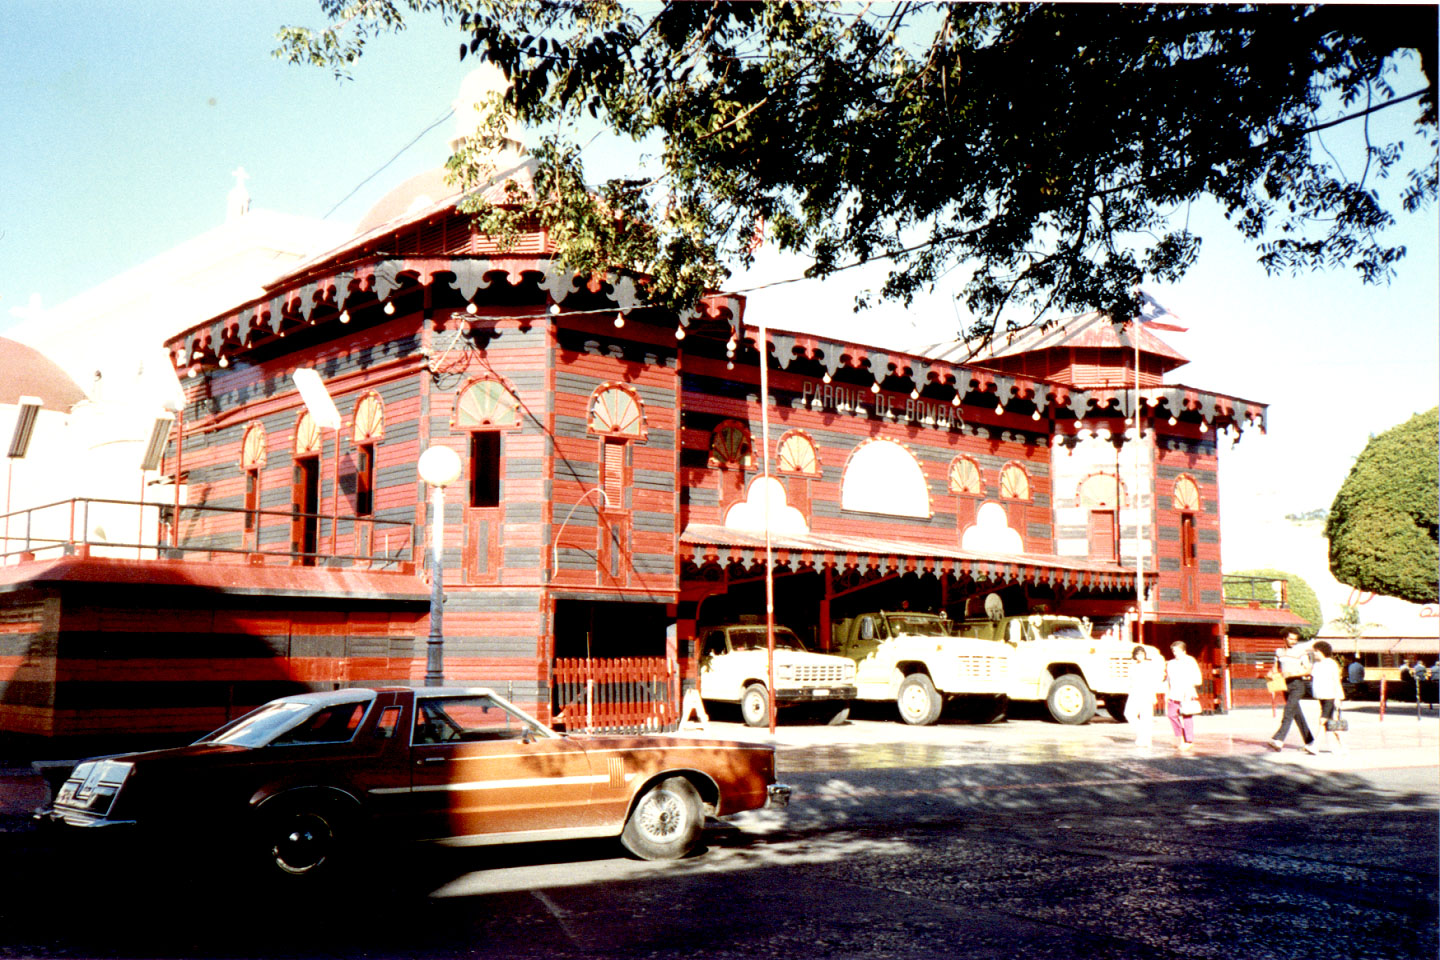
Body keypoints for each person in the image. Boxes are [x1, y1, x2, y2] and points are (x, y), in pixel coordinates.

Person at [1269, 630, 1319, 755]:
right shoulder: (1279, 652)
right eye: (1291, 639)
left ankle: (1279, 739)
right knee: (1297, 714)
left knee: (1288, 711)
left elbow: (1308, 670)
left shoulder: (1300, 652)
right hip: (1286, 685)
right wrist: (1272, 674)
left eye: (1295, 639)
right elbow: (1275, 667)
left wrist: (1292, 673)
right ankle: (1310, 741)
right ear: (1285, 638)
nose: (1294, 641)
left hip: (1298, 684)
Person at [1124, 644, 1165, 749]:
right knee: (1129, 713)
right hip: (1134, 692)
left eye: (1142, 654)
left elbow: (1153, 681)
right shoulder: (1132, 666)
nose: (1140, 656)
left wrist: (1153, 694)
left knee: (1146, 717)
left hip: (1146, 692)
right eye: (1137, 654)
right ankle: (1142, 734)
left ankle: (1146, 739)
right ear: (1135, 655)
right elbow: (1130, 680)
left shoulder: (1149, 665)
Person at [1309, 640, 1347, 754]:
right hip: (1321, 696)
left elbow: (1336, 680)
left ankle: (1315, 746)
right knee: (1331, 723)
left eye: (1315, 651)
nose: (1314, 654)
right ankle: (1342, 747)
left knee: (1323, 720)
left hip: (1331, 696)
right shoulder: (1316, 665)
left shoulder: (1331, 664)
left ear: (1321, 651)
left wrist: (1339, 697)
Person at [1164, 641, 1202, 751]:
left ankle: (1189, 740)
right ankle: (1179, 736)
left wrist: (1189, 690)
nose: (1175, 653)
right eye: (1173, 651)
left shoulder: (1190, 661)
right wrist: (1167, 693)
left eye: (1177, 651)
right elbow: (1168, 680)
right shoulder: (1170, 663)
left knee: (1187, 716)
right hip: (1174, 693)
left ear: (1184, 651)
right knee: (1171, 715)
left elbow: (1197, 679)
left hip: (1187, 693)